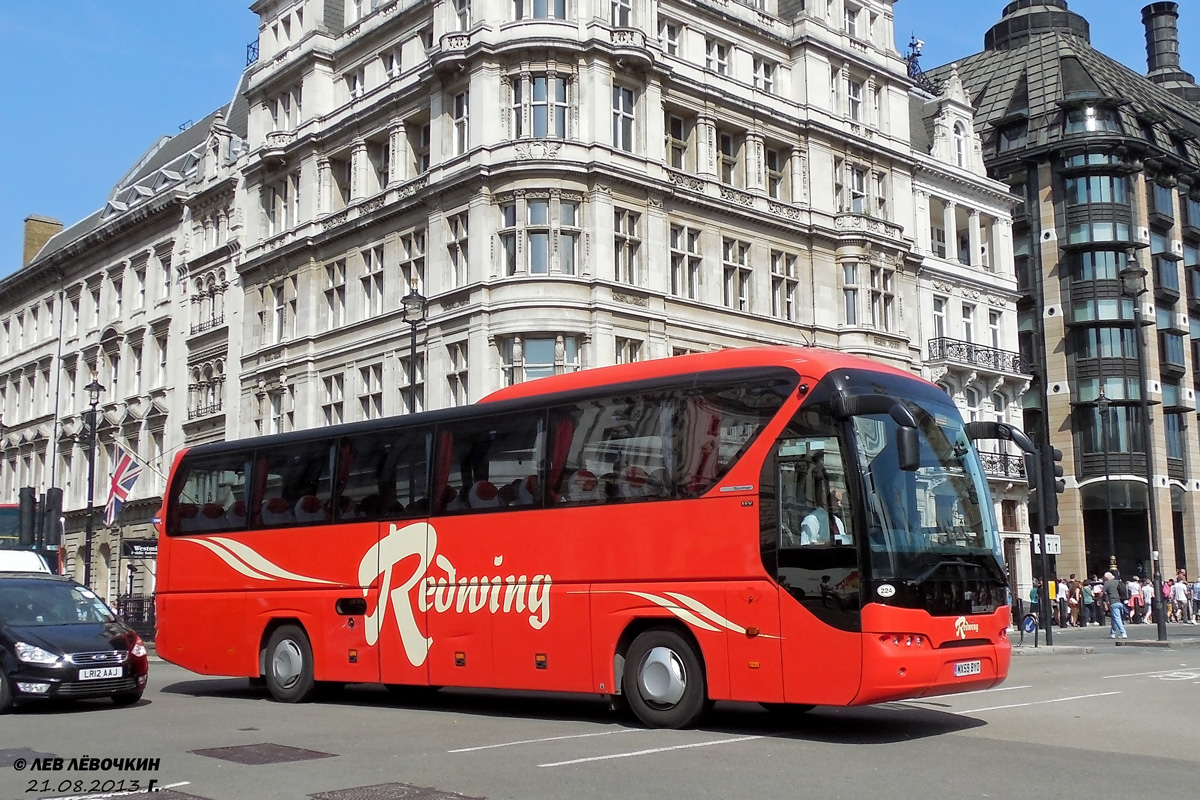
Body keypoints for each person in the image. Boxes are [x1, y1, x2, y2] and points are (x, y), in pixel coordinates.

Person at [1103, 571, 1128, 639]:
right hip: (1120, 602)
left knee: (1117, 618)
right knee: (1114, 618)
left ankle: (1123, 632)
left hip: (1113, 602)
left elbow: (1103, 593)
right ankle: (1112, 633)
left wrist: (1103, 601)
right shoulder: (1118, 582)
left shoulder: (1107, 583)